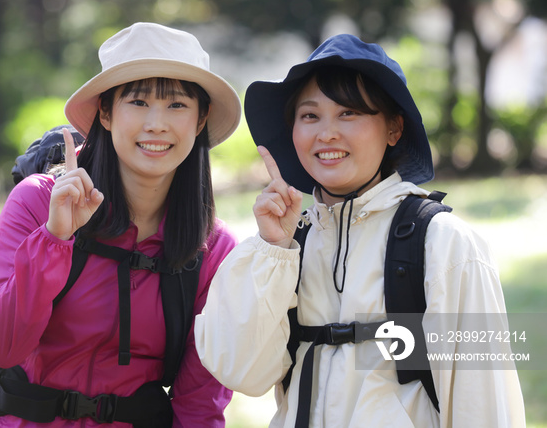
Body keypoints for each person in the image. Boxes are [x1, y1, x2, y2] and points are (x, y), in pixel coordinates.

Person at [194, 34, 526, 427]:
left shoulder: (443, 244)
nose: (327, 133)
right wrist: (274, 248)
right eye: (310, 116)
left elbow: (484, 406)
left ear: (393, 128)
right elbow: (241, 372)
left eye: (349, 113)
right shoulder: (285, 246)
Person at [0, 22, 242, 427]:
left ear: (200, 121)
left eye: (177, 105)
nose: (157, 124)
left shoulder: (213, 249)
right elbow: (1, 348)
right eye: (138, 102)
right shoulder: (38, 201)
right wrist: (54, 238)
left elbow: (200, 399)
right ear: (107, 113)